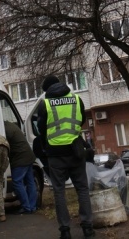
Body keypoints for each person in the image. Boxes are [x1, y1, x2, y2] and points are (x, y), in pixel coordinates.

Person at [37, 75, 95, 239]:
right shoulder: (77, 99)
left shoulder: (45, 104)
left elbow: (41, 129)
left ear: (47, 90)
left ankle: (65, 231)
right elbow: (81, 120)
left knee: (59, 191)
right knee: (82, 189)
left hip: (55, 154)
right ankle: (88, 228)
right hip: (76, 151)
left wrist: (45, 147)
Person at [4, 121, 38, 215]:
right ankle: (32, 206)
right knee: (30, 181)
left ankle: (26, 207)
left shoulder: (5, 130)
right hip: (28, 156)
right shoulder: (11, 125)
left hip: (20, 158)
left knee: (16, 181)